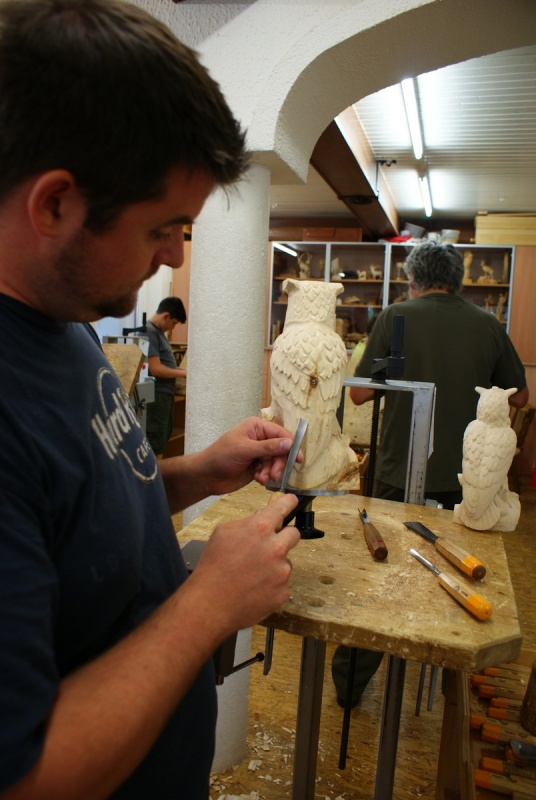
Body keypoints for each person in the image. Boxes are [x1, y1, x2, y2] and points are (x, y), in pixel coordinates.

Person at [0, 2, 302, 798]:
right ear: (54, 205)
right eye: (163, 227)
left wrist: (196, 473)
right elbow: (26, 777)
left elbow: (70, 508)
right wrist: (208, 604)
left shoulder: (63, 315)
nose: (173, 255)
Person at [332, 240, 528, 707]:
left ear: (413, 279)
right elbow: (519, 396)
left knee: (379, 578)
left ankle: (350, 683)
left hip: (399, 470)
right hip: (466, 483)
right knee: (457, 578)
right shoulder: (488, 324)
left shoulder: (394, 316)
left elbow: (358, 395)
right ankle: (448, 687)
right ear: (458, 280)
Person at [146, 296, 187, 456]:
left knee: (164, 435)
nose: (173, 328)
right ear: (165, 316)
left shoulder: (159, 333)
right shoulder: (150, 332)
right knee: (155, 438)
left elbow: (167, 365)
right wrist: (184, 373)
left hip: (165, 393)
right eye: (174, 323)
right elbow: (156, 369)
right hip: (157, 394)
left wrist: (182, 371)